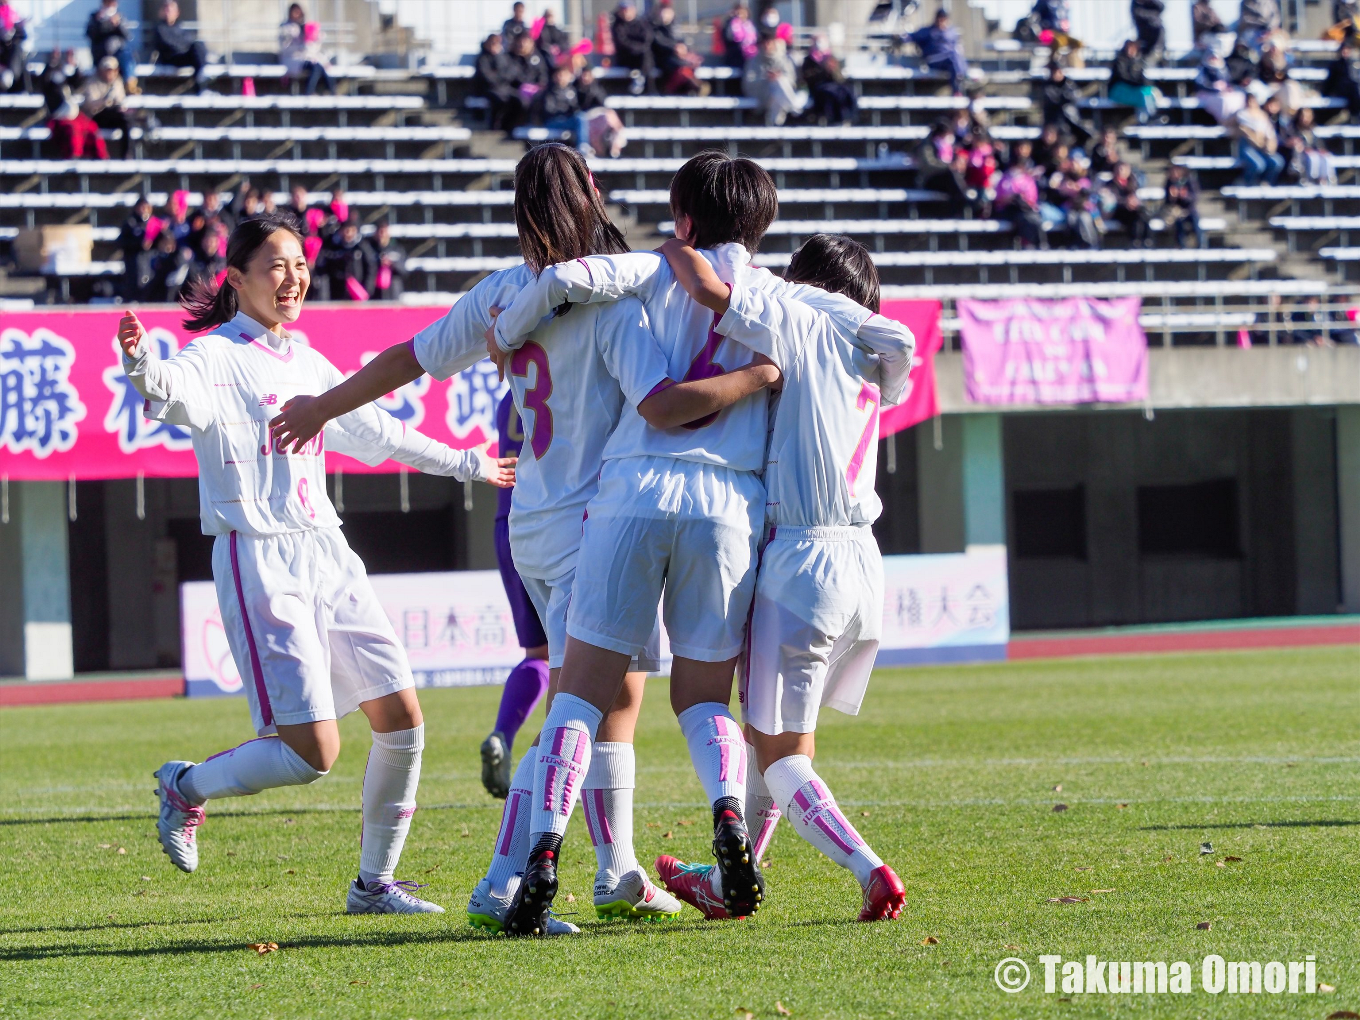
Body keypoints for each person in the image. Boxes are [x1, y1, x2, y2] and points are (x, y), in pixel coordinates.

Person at [269, 145, 788, 931]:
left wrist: (324, 406)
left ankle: (616, 873)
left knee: (613, 699)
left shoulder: (503, 294)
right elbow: (658, 399)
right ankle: (501, 882)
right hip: (598, 522)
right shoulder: (618, 302)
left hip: (531, 522)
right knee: (579, 708)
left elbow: (407, 358)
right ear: (592, 195)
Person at [483, 150, 916, 936]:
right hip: (735, 509)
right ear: (764, 223)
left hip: (632, 491)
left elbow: (570, 281)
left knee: (579, 693)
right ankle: (726, 814)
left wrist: (506, 332)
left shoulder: (652, 269)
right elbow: (887, 336)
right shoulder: (792, 303)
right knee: (705, 699)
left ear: (682, 214)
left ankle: (545, 849)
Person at [127, 214, 512, 914]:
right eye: (276, 265)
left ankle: (373, 885)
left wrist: (469, 463)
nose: (294, 276)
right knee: (312, 755)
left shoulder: (307, 360)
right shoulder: (215, 356)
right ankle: (186, 786)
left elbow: (378, 433)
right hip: (260, 556)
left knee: (402, 716)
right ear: (235, 281)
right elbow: (171, 393)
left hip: (327, 550)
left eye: (299, 263)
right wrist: (143, 367)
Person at [648, 233, 911, 924]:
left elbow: (711, 291)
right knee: (779, 740)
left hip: (802, 563)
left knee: (782, 758)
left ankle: (870, 869)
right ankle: (736, 879)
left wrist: (673, 247)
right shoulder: (869, 350)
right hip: (863, 565)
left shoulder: (800, 315)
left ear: (807, 280)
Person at [479, 391, 552, 800]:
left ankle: (503, 735)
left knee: (538, 654)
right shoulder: (568, 363)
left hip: (508, 522)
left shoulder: (512, 391)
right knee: (579, 663)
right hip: (556, 520)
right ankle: (544, 776)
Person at [79, 56, 132, 160]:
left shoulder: (117, 82)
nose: (110, 73)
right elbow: (90, 105)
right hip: (97, 116)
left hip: (113, 115)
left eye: (112, 70)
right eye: (107, 70)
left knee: (126, 121)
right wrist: (105, 100)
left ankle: (126, 154)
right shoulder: (92, 81)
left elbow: (120, 101)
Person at [995, 144, 1046, 249]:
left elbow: (1032, 200)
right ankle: (1027, 244)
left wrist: (1023, 199)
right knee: (1024, 219)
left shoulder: (1028, 180)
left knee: (1034, 218)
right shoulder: (1005, 179)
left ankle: (1040, 244)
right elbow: (998, 200)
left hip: (1025, 209)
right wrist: (1011, 198)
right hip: (1009, 209)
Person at [150, 0, 208, 94]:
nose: (168, 12)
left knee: (198, 45)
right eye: (166, 9)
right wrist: (184, 47)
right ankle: (201, 85)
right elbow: (168, 45)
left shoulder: (180, 28)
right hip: (171, 59)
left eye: (171, 9)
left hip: (183, 56)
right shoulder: (160, 29)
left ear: (177, 13)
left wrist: (185, 47)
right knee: (194, 50)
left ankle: (202, 82)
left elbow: (189, 42)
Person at [744, 32, 800, 127]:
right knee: (777, 85)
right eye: (764, 43)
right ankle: (793, 107)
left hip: (778, 93)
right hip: (761, 92)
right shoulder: (753, 61)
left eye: (769, 43)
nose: (767, 46)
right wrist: (767, 78)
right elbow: (748, 83)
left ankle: (774, 124)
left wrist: (778, 77)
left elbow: (791, 79)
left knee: (779, 82)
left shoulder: (783, 60)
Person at [909, 8, 969, 95]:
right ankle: (961, 81)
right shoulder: (928, 31)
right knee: (953, 55)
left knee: (956, 56)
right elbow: (910, 37)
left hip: (950, 62)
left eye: (943, 18)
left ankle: (960, 87)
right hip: (933, 60)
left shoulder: (952, 32)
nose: (941, 21)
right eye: (939, 18)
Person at [317, 218, 376, 301]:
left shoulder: (362, 247)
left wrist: (367, 289)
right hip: (337, 292)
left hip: (358, 293)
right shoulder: (333, 246)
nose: (348, 234)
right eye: (346, 230)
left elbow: (371, 267)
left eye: (351, 230)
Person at [280, 4, 333, 96]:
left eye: (299, 12)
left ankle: (331, 92)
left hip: (305, 58)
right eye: (295, 12)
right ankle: (309, 92)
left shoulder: (304, 26)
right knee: (316, 67)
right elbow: (286, 48)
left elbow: (311, 48)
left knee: (320, 66)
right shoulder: (286, 28)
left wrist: (314, 37)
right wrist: (296, 38)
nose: (297, 15)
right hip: (293, 59)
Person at [1234, 90, 1284, 186]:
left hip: (1262, 146)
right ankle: (1247, 183)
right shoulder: (1242, 114)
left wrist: (1270, 145)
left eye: (1252, 100)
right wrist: (1257, 140)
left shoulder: (1263, 115)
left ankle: (1266, 183)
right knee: (1258, 164)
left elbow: (1270, 134)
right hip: (1247, 145)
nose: (1250, 103)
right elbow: (1246, 131)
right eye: (1248, 101)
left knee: (1277, 162)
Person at [576, 66, 628, 157]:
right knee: (608, 115)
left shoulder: (596, 88)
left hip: (599, 114)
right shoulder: (576, 88)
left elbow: (602, 102)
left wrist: (592, 91)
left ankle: (616, 140)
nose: (585, 78)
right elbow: (579, 106)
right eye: (584, 75)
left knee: (609, 114)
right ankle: (610, 147)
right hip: (586, 116)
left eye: (587, 75)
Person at [801, 38, 856, 125]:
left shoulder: (831, 58)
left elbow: (839, 78)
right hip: (817, 87)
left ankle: (847, 118)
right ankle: (832, 120)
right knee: (829, 93)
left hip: (833, 85)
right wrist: (823, 69)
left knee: (847, 91)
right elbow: (808, 77)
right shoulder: (808, 60)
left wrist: (833, 69)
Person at [86, 0, 136, 92]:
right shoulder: (94, 16)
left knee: (127, 53)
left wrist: (118, 25)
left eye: (113, 3)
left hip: (118, 53)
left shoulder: (120, 17)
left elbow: (128, 36)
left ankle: (130, 83)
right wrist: (99, 22)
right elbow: (89, 34)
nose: (110, 6)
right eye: (108, 3)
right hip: (101, 54)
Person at [1109, 38, 1160, 124]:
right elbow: (1122, 77)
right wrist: (1138, 84)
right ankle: (1148, 118)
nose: (1131, 49)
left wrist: (1145, 85)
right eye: (1129, 46)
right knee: (1142, 94)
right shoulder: (1120, 60)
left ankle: (1145, 118)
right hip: (1119, 90)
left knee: (1148, 92)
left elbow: (1141, 78)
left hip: (1133, 89)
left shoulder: (1138, 61)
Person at [1282, 105, 1336, 184]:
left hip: (1311, 153)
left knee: (1326, 156)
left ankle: (1324, 179)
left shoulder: (1312, 130)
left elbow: (1318, 145)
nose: (1305, 119)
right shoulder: (1292, 129)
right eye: (1303, 116)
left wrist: (1319, 150)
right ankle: (1307, 179)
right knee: (1312, 157)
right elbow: (1290, 142)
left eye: (1308, 116)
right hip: (1298, 156)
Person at [532, 62, 584, 144]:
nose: (561, 78)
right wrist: (565, 111)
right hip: (552, 121)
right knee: (580, 119)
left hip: (567, 121)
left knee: (581, 117)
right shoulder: (548, 92)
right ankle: (582, 145)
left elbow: (576, 108)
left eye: (564, 75)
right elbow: (548, 111)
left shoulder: (571, 91)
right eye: (559, 75)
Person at [506, 31, 549, 130]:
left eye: (526, 42)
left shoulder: (537, 57)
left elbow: (543, 74)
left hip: (535, 89)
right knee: (522, 101)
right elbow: (511, 77)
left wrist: (540, 85)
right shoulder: (510, 57)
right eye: (520, 42)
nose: (523, 45)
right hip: (515, 89)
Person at [474, 34, 518, 131]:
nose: (495, 45)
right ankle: (495, 125)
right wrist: (501, 78)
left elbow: (511, 72)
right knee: (500, 100)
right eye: (492, 43)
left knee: (518, 100)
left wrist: (498, 58)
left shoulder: (505, 57)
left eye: (497, 43)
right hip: (488, 89)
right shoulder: (482, 58)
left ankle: (510, 125)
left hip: (505, 88)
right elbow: (486, 77)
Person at [1040, 63, 1089, 146]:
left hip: (1071, 120)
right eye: (1054, 72)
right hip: (1054, 120)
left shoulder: (1069, 83)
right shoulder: (1047, 86)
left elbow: (1076, 97)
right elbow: (1054, 100)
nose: (1057, 74)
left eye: (1059, 71)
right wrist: (1065, 97)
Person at [612, 1, 655, 95]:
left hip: (641, 56)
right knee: (643, 56)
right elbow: (622, 43)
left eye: (628, 10)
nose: (626, 12)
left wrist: (640, 48)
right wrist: (637, 48)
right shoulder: (617, 25)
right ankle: (645, 86)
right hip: (626, 58)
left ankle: (647, 86)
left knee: (646, 56)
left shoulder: (642, 23)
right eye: (623, 10)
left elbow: (647, 38)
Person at [1105, 161, 1149, 246]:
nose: (1120, 171)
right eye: (1118, 169)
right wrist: (1126, 202)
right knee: (1135, 215)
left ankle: (1144, 239)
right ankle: (1137, 240)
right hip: (1117, 210)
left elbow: (1134, 197)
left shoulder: (1132, 182)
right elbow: (1112, 200)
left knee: (1141, 213)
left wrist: (1133, 202)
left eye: (1123, 169)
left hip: (1131, 210)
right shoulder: (1110, 184)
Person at [1195, 49, 1245, 124]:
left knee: (1239, 96)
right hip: (1208, 93)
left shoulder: (1223, 69)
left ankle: (1234, 120)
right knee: (1223, 101)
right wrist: (1214, 88)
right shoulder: (1203, 69)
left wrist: (1228, 88)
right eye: (1212, 58)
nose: (1214, 60)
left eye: (1216, 58)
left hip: (1223, 92)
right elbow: (1201, 84)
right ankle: (1224, 121)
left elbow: (1229, 81)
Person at [1161, 163, 1204, 248]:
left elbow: (1194, 198)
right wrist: (1172, 197)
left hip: (1188, 209)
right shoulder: (1169, 183)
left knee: (1195, 220)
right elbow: (1167, 202)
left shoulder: (1189, 181)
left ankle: (1200, 245)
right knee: (1178, 222)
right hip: (1175, 211)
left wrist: (1184, 196)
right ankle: (1181, 245)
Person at [369, 220, 407, 300]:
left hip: (393, 293)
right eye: (380, 232)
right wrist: (378, 263)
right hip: (375, 293)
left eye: (384, 232)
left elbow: (404, 271)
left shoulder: (397, 250)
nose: (382, 235)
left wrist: (391, 264)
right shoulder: (369, 250)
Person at [1323, 39, 1360, 117]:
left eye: (1347, 49)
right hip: (1341, 89)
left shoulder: (1354, 63)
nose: (1345, 52)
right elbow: (1330, 81)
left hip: (1353, 90)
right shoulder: (1335, 65)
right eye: (1344, 49)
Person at [0, 0, 29, 94]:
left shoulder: (13, 10)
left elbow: (23, 36)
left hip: (9, 50)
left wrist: (17, 28)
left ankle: (22, 89)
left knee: (18, 50)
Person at [720, 3, 758, 69]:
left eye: (743, 12)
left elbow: (755, 38)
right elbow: (728, 37)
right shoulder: (731, 24)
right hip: (736, 54)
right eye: (739, 12)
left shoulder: (750, 25)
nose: (741, 15)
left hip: (750, 54)